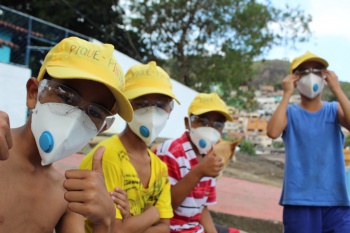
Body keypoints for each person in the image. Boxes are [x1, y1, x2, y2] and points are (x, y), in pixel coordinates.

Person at [0, 36, 134, 233]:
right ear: (34, 94)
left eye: (94, 113)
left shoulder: (68, 193)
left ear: (101, 129)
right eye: (65, 96)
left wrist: (104, 221)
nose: (76, 118)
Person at [79, 61, 180, 233]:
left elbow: (165, 228)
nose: (152, 113)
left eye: (161, 105)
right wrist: (154, 213)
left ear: (170, 109)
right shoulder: (107, 157)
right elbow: (115, 229)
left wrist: (132, 224)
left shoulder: (160, 167)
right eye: (142, 103)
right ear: (123, 107)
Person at [267, 51, 350, 233]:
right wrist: (286, 93)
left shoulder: (334, 109)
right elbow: (272, 132)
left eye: (317, 70)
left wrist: (337, 89)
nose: (311, 75)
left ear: (325, 76)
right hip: (299, 200)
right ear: (294, 78)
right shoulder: (289, 113)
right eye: (303, 71)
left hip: (336, 200)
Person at [155, 92, 236, 233]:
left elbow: (201, 209)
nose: (210, 129)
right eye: (203, 121)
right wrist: (199, 171)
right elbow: (165, 206)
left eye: (217, 125)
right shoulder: (171, 152)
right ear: (188, 123)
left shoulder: (210, 156)